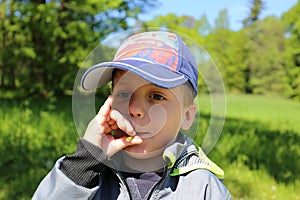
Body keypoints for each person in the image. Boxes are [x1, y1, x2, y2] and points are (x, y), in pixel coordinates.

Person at [33, 31, 231, 200]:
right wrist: (85, 160)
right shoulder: (87, 175)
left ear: (187, 116)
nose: (134, 108)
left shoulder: (202, 188)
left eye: (156, 95)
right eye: (124, 94)